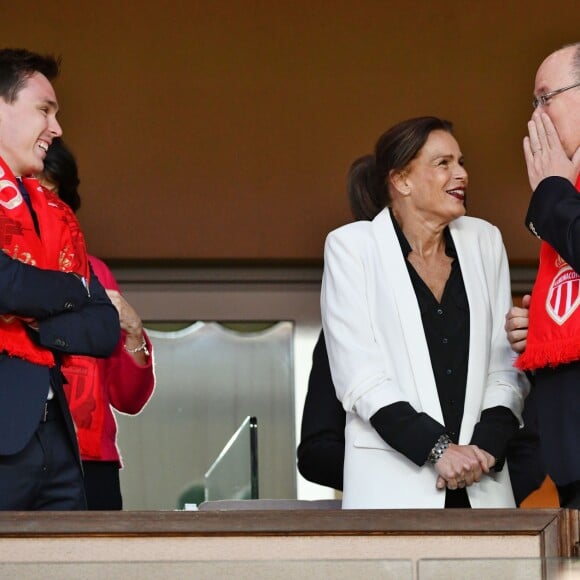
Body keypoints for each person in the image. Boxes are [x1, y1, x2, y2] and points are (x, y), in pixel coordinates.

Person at [321, 116, 530, 509]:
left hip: (482, 484)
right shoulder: (351, 248)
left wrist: (485, 447)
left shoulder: (485, 240)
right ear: (402, 180)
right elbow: (360, 378)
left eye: (461, 162)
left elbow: (505, 364)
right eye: (443, 163)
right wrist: (440, 451)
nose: (462, 174)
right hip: (393, 492)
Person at [0, 48, 120, 510]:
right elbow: (5, 282)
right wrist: (72, 292)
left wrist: (28, 319)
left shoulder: (54, 212)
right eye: (44, 110)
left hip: (58, 434)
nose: (57, 128)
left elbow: (104, 328)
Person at [40, 137, 156, 510]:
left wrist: (134, 331)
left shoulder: (95, 272)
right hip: (18, 453)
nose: (44, 207)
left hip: (92, 460)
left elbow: (129, 397)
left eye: (53, 195)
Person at [505, 42, 580, 508]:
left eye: (544, 98)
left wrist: (552, 196)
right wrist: (543, 325)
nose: (536, 117)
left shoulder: (561, 194)